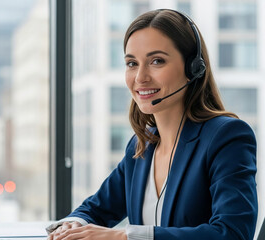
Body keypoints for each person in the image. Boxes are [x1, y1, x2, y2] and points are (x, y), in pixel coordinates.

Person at [46, 9, 258, 240]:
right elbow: (95, 209)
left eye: (157, 61)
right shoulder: (142, 146)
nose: (140, 78)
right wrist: (72, 225)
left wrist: (124, 237)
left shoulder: (226, 137)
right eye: (131, 63)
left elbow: (233, 233)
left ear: (193, 68)